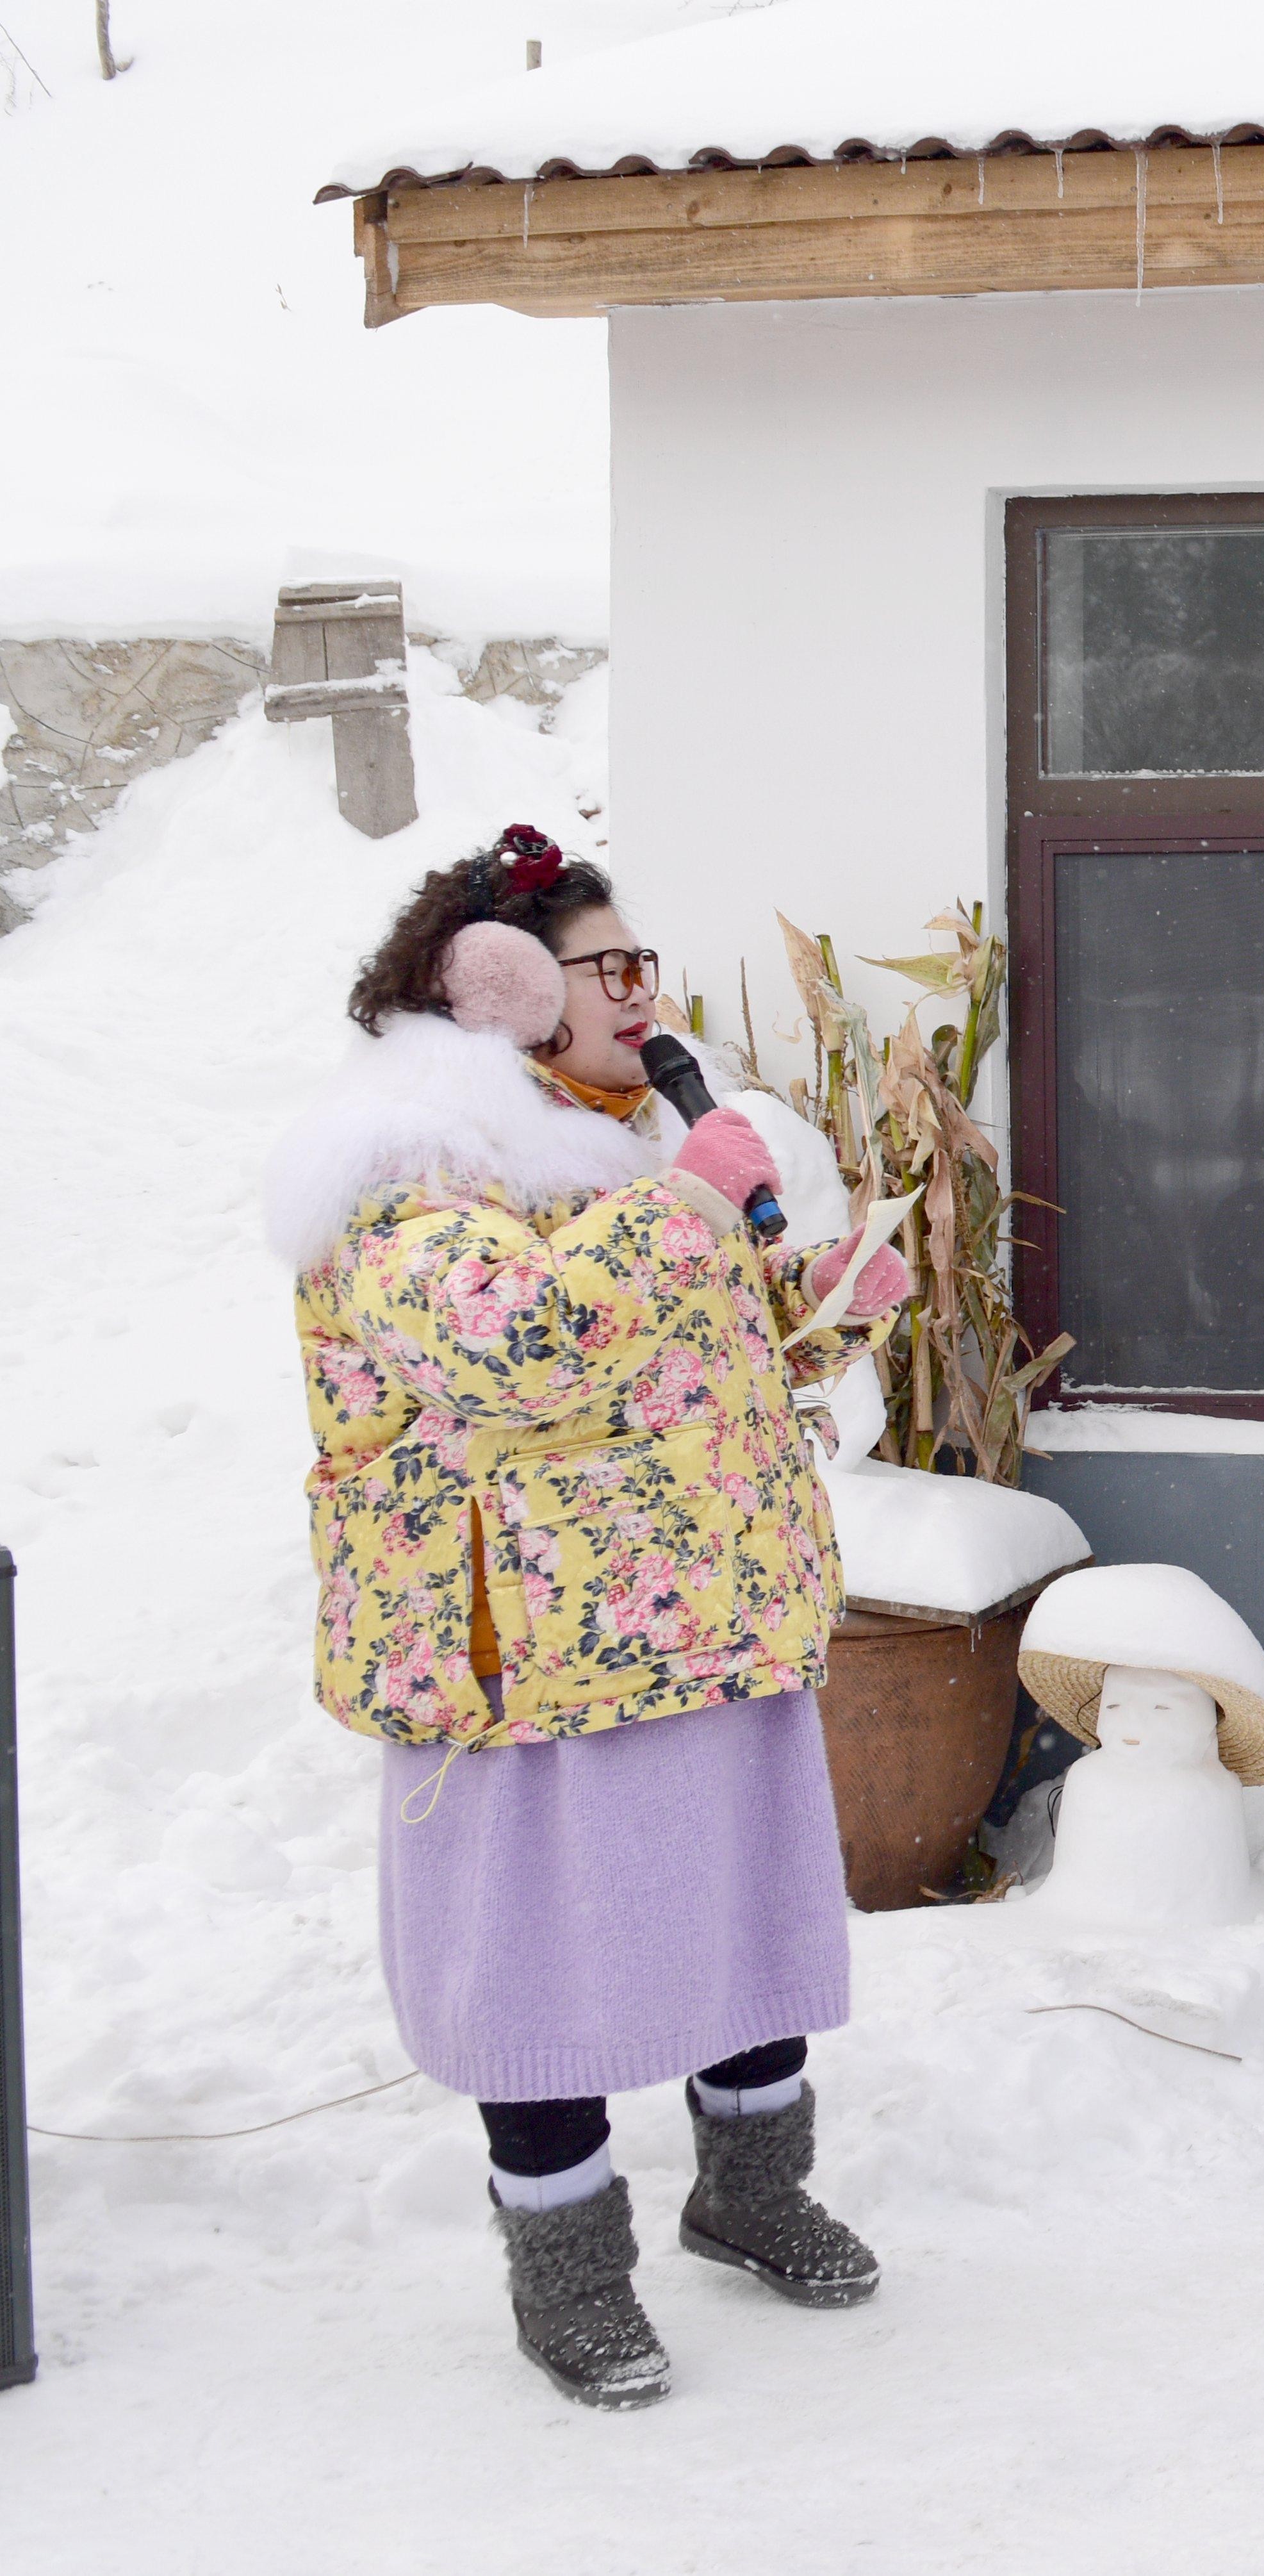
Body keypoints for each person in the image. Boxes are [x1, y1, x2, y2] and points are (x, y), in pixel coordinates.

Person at [266, 826, 908, 2409]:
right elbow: (516, 1349)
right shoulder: (410, 1160)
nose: (644, 994)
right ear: (497, 989)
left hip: (706, 1621)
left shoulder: (632, 1143)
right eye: (606, 967)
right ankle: (569, 2272)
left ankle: (748, 2193)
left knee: (744, 1921)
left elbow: (678, 1361)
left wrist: (808, 1315)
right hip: (529, 1660)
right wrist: (690, 1217)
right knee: (542, 1974)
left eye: (645, 964)